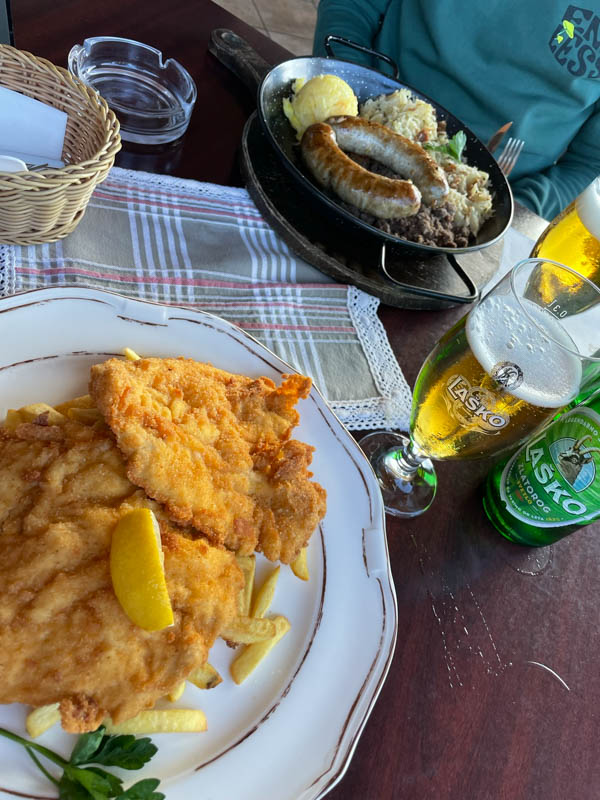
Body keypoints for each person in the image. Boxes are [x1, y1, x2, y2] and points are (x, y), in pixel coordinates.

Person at [313, 0, 600, 221]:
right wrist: (347, 91)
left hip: (492, 203)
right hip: (357, 123)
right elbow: (352, 6)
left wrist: (514, 213)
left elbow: (590, 163)